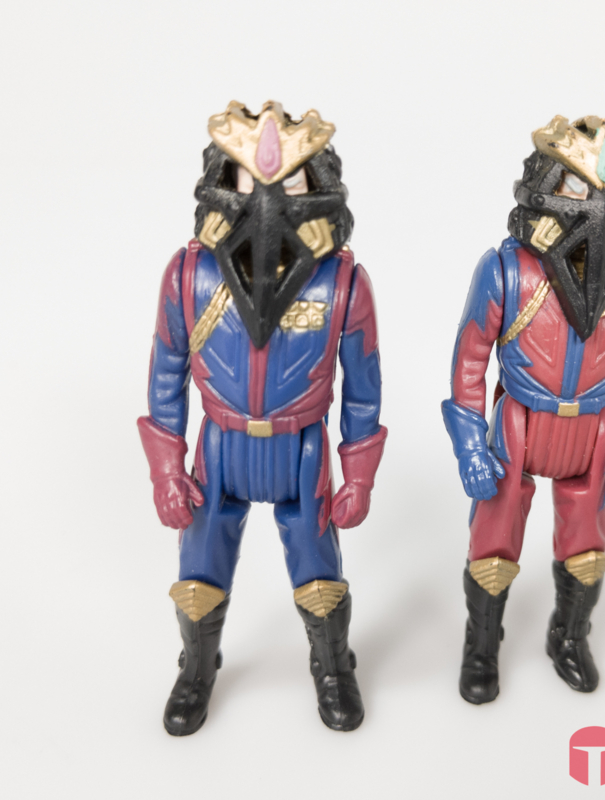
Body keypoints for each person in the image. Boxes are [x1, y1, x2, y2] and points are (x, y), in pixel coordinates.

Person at [138, 101, 387, 735]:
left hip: (301, 450)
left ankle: (332, 666)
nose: (269, 196)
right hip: (219, 449)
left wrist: (358, 474)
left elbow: (363, 392)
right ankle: (197, 668)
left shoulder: (342, 283)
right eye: (250, 178)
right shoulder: (189, 276)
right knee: (200, 568)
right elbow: (166, 376)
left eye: (292, 179)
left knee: (318, 568)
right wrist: (167, 469)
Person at [442, 116, 605, 703]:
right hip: (518, 422)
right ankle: (481, 646)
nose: (596, 203)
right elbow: (469, 362)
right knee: (493, 539)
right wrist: (470, 445)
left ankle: (569, 636)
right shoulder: (508, 270)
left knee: (586, 547)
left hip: (591, 429)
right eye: (577, 184)